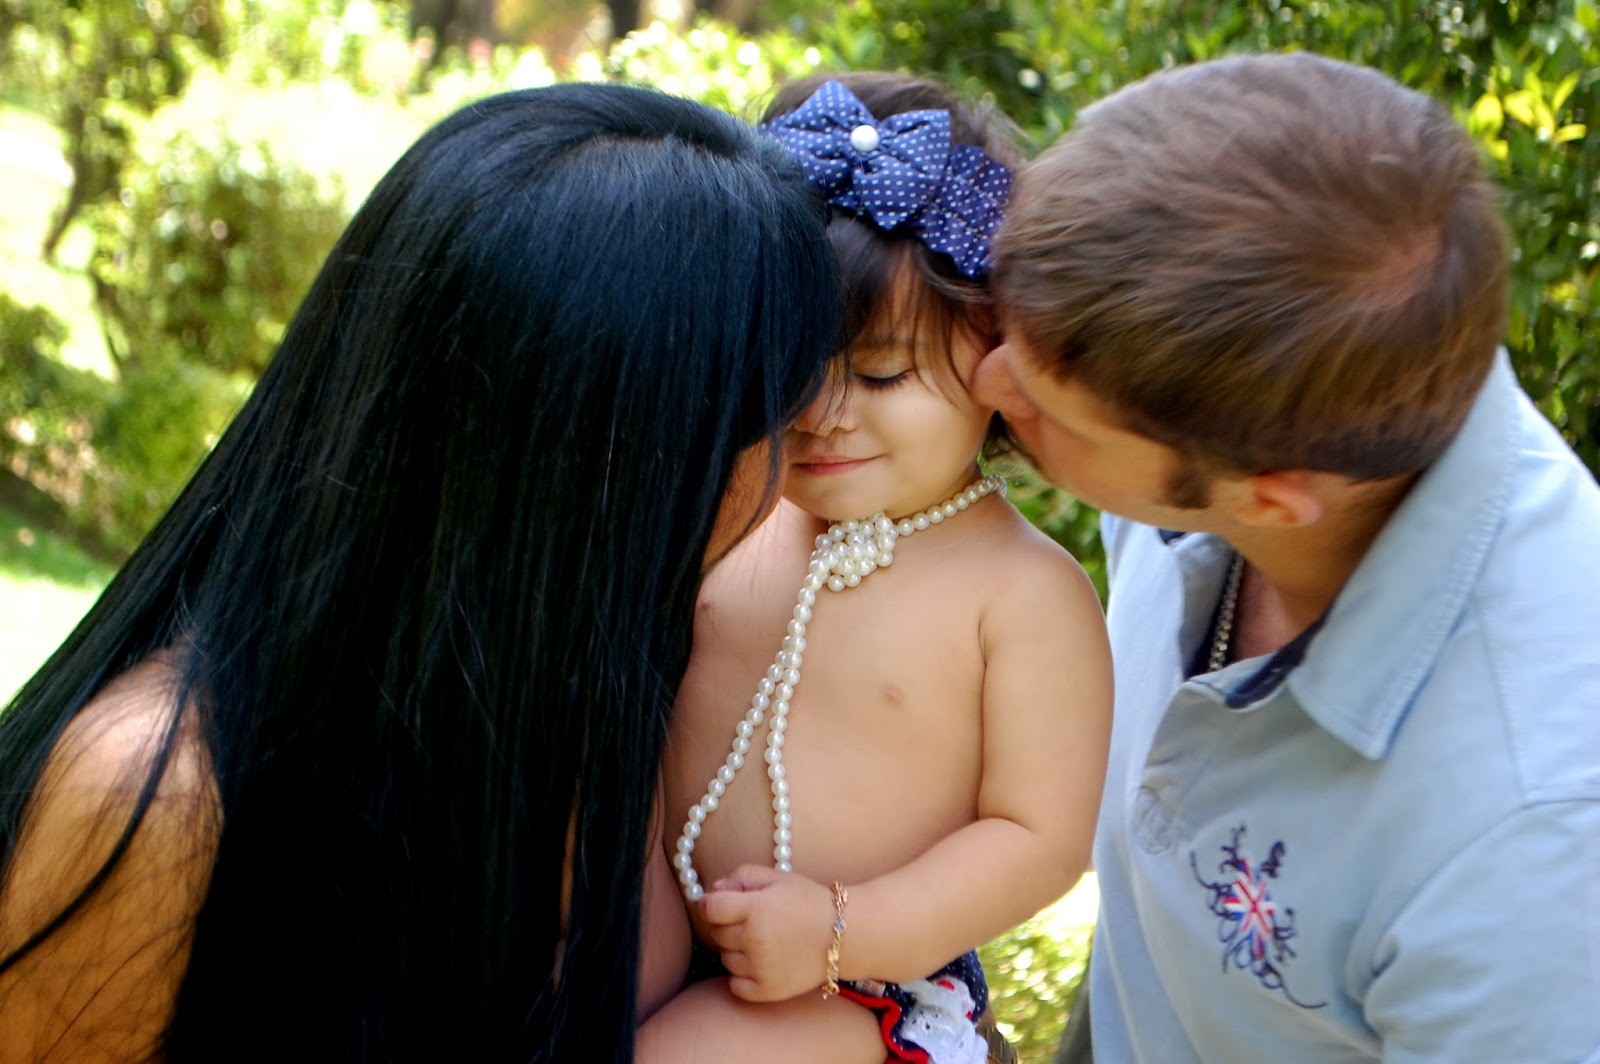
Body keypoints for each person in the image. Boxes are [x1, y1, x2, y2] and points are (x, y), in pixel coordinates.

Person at [0, 82, 843, 1061]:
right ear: (617, 474)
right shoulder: (158, 801)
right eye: (779, 419)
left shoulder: (604, 701)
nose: (798, 462)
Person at [975, 51, 1600, 1061]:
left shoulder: (1529, 843)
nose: (987, 380)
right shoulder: (1264, 389)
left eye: (1047, 407)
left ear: (1269, 497)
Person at [638, 73, 1113, 1064]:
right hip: (659, 919)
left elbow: (1038, 838)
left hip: (859, 983)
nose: (822, 414)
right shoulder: (738, 514)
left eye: (882, 372)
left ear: (998, 355)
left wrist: (839, 926)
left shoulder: (1019, 593)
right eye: (791, 368)